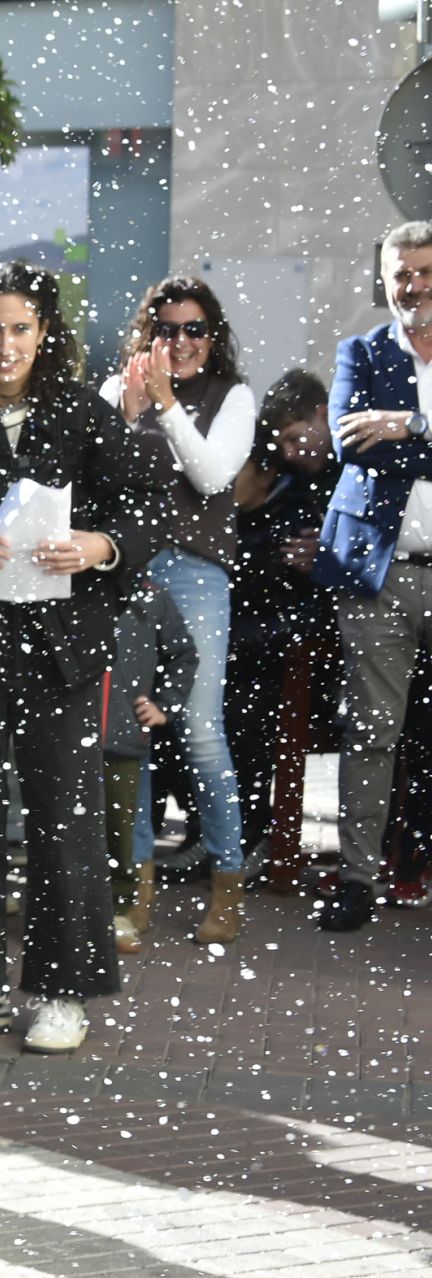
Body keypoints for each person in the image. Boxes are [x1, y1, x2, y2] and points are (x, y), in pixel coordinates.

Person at [0, 260, 167, 1054]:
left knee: (64, 820)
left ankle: (61, 991)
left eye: (19, 328)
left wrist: (100, 545)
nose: (4, 344)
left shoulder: (84, 413)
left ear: (46, 333)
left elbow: (143, 509)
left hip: (62, 648)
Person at [101, 276, 258, 943]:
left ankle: (228, 884)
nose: (182, 341)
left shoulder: (234, 396)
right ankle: (131, 889)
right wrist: (131, 409)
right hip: (126, 571)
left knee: (198, 728)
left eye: (196, 329)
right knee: (125, 734)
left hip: (195, 571)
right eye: (168, 328)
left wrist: (164, 405)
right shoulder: (117, 390)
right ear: (148, 334)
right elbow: (96, 479)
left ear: (213, 338)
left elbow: (214, 476)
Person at [313, 220, 432, 929]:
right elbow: (349, 445)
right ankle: (357, 878)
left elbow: (388, 445)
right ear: (383, 279)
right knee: (370, 733)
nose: (414, 286)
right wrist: (385, 434)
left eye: (425, 271)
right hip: (378, 575)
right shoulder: (360, 352)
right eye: (402, 274)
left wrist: (411, 429)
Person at [229, 371, 341, 864]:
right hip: (272, 630)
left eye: (298, 438)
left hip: (325, 639)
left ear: (323, 414)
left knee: (249, 693)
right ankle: (230, 834)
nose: (293, 452)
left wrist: (333, 555)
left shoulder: (351, 468)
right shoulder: (291, 478)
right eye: (284, 444)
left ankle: (252, 836)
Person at [104, 579, 196, 950]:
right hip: (60, 736)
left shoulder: (148, 593)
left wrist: (166, 704)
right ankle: (58, 908)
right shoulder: (58, 585)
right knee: (58, 827)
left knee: (119, 832)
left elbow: (184, 654)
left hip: (122, 737)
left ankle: (118, 910)